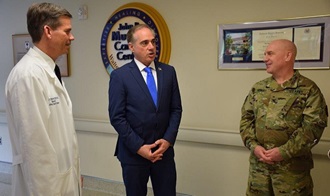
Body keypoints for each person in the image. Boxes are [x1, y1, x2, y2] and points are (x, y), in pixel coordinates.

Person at [5, 3, 81, 196]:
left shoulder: (48, 71)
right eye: (67, 31)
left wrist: (73, 172)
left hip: (62, 181)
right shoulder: (28, 76)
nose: (72, 37)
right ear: (48, 31)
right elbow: (36, 152)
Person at [240, 39, 328, 195]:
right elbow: (246, 120)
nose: (265, 58)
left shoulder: (308, 89)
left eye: (270, 53)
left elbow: (313, 128)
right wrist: (254, 146)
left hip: (291, 175)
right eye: (265, 54)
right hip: (259, 173)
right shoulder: (258, 88)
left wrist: (284, 152)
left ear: (288, 56)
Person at [108, 24, 182, 196]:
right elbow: (117, 117)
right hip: (134, 154)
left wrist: (168, 140)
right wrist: (140, 147)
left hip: (163, 153)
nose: (151, 47)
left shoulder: (168, 72)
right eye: (145, 43)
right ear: (131, 47)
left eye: (153, 42)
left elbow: (176, 109)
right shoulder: (120, 76)